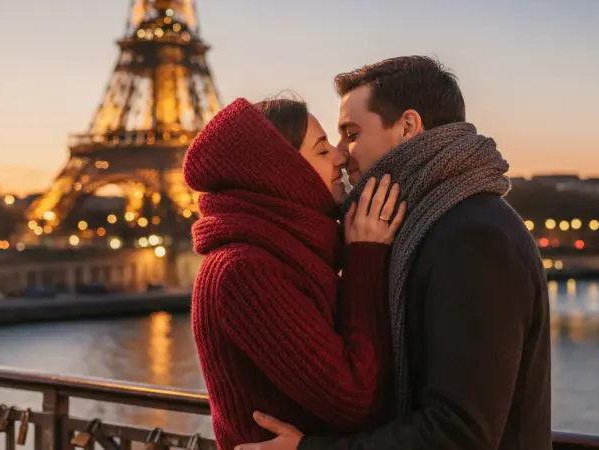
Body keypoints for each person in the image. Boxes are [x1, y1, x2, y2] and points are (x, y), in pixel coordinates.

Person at [235, 56, 552, 450]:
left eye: (351, 133)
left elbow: (460, 434)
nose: (341, 153)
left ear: (407, 127)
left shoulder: (473, 238)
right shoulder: (433, 222)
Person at [183, 96, 407, 450]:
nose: (340, 155)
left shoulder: (276, 255)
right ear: (281, 174)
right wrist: (365, 257)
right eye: (321, 151)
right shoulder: (245, 271)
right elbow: (356, 399)